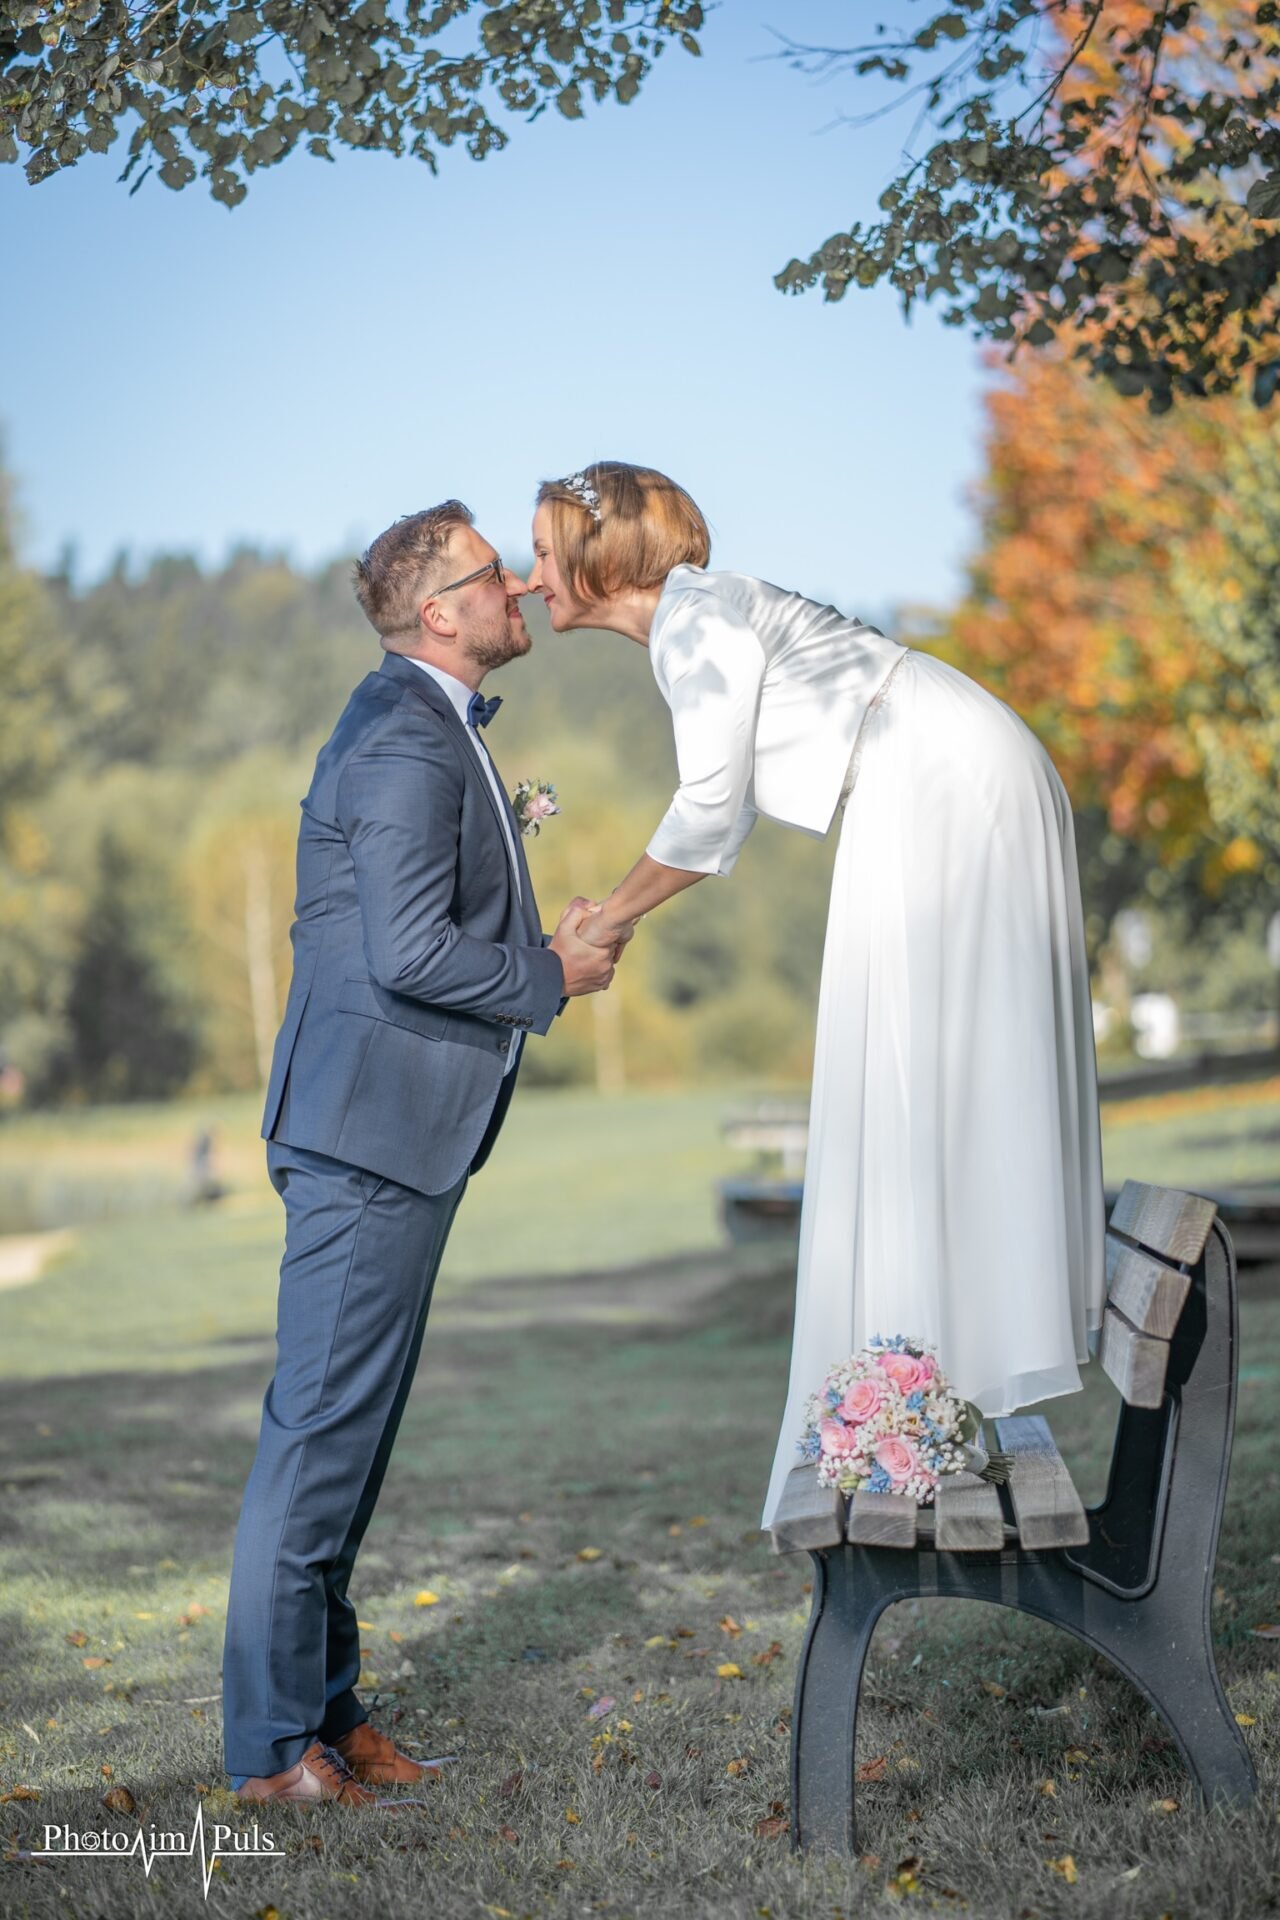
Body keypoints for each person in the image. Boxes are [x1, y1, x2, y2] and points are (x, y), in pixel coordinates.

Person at [525, 462, 1106, 1534]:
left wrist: (607, 920)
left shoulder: (693, 621)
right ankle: (911, 1389)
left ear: (596, 555)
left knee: (906, 1066)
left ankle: (908, 1395)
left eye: (541, 552)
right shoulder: (697, 618)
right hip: (928, 769)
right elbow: (724, 809)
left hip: (933, 775)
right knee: (905, 1067)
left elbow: (710, 809)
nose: (530, 579)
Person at [221, 502, 614, 1806]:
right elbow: (406, 954)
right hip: (365, 1135)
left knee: (350, 1446)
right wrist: (548, 975)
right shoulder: (401, 734)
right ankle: (273, 1752)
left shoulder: (424, 722)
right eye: (494, 574)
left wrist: (537, 950)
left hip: (393, 1136)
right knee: (317, 1442)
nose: (520, 587)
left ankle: (329, 1720)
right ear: (438, 612)